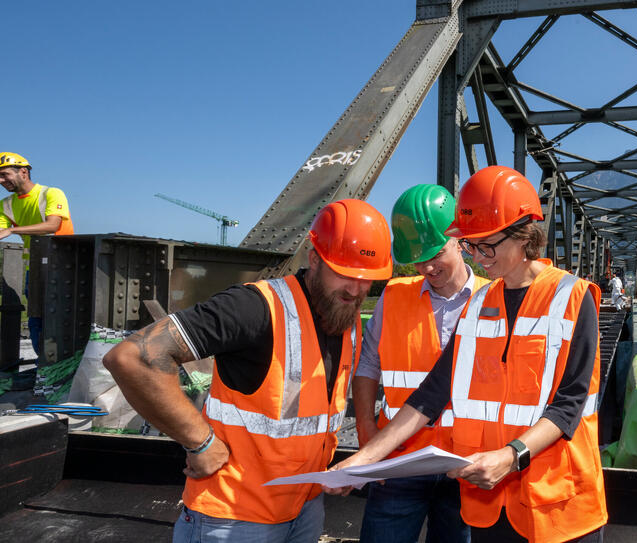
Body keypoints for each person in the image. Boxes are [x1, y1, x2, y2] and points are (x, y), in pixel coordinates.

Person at [329, 166, 607, 543]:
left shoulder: (572, 298)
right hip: (492, 505)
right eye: (472, 245)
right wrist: (360, 461)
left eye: (486, 245)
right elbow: (429, 396)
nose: (478, 257)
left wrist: (510, 456)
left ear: (524, 234)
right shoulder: (479, 305)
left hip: (557, 501)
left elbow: (569, 403)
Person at [103, 199, 392, 542]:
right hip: (235, 518)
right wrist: (200, 443)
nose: (356, 290)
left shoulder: (346, 320)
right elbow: (132, 358)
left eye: (367, 280)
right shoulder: (255, 308)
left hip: (305, 509)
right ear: (314, 259)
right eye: (345, 274)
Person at [352, 184, 487, 543]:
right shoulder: (394, 296)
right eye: (417, 256)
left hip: (464, 466)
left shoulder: (495, 298)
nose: (428, 266)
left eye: (437, 252)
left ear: (459, 240)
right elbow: (367, 366)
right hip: (398, 461)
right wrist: (366, 430)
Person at [0, 152, 74, 358]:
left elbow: (52, 225)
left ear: (23, 172)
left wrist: (13, 230)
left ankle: (61, 366)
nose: (1, 181)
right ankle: (44, 368)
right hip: (34, 269)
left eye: (5, 175)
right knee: (36, 321)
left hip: (64, 267)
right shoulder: (6, 204)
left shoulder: (51, 193)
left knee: (61, 318)